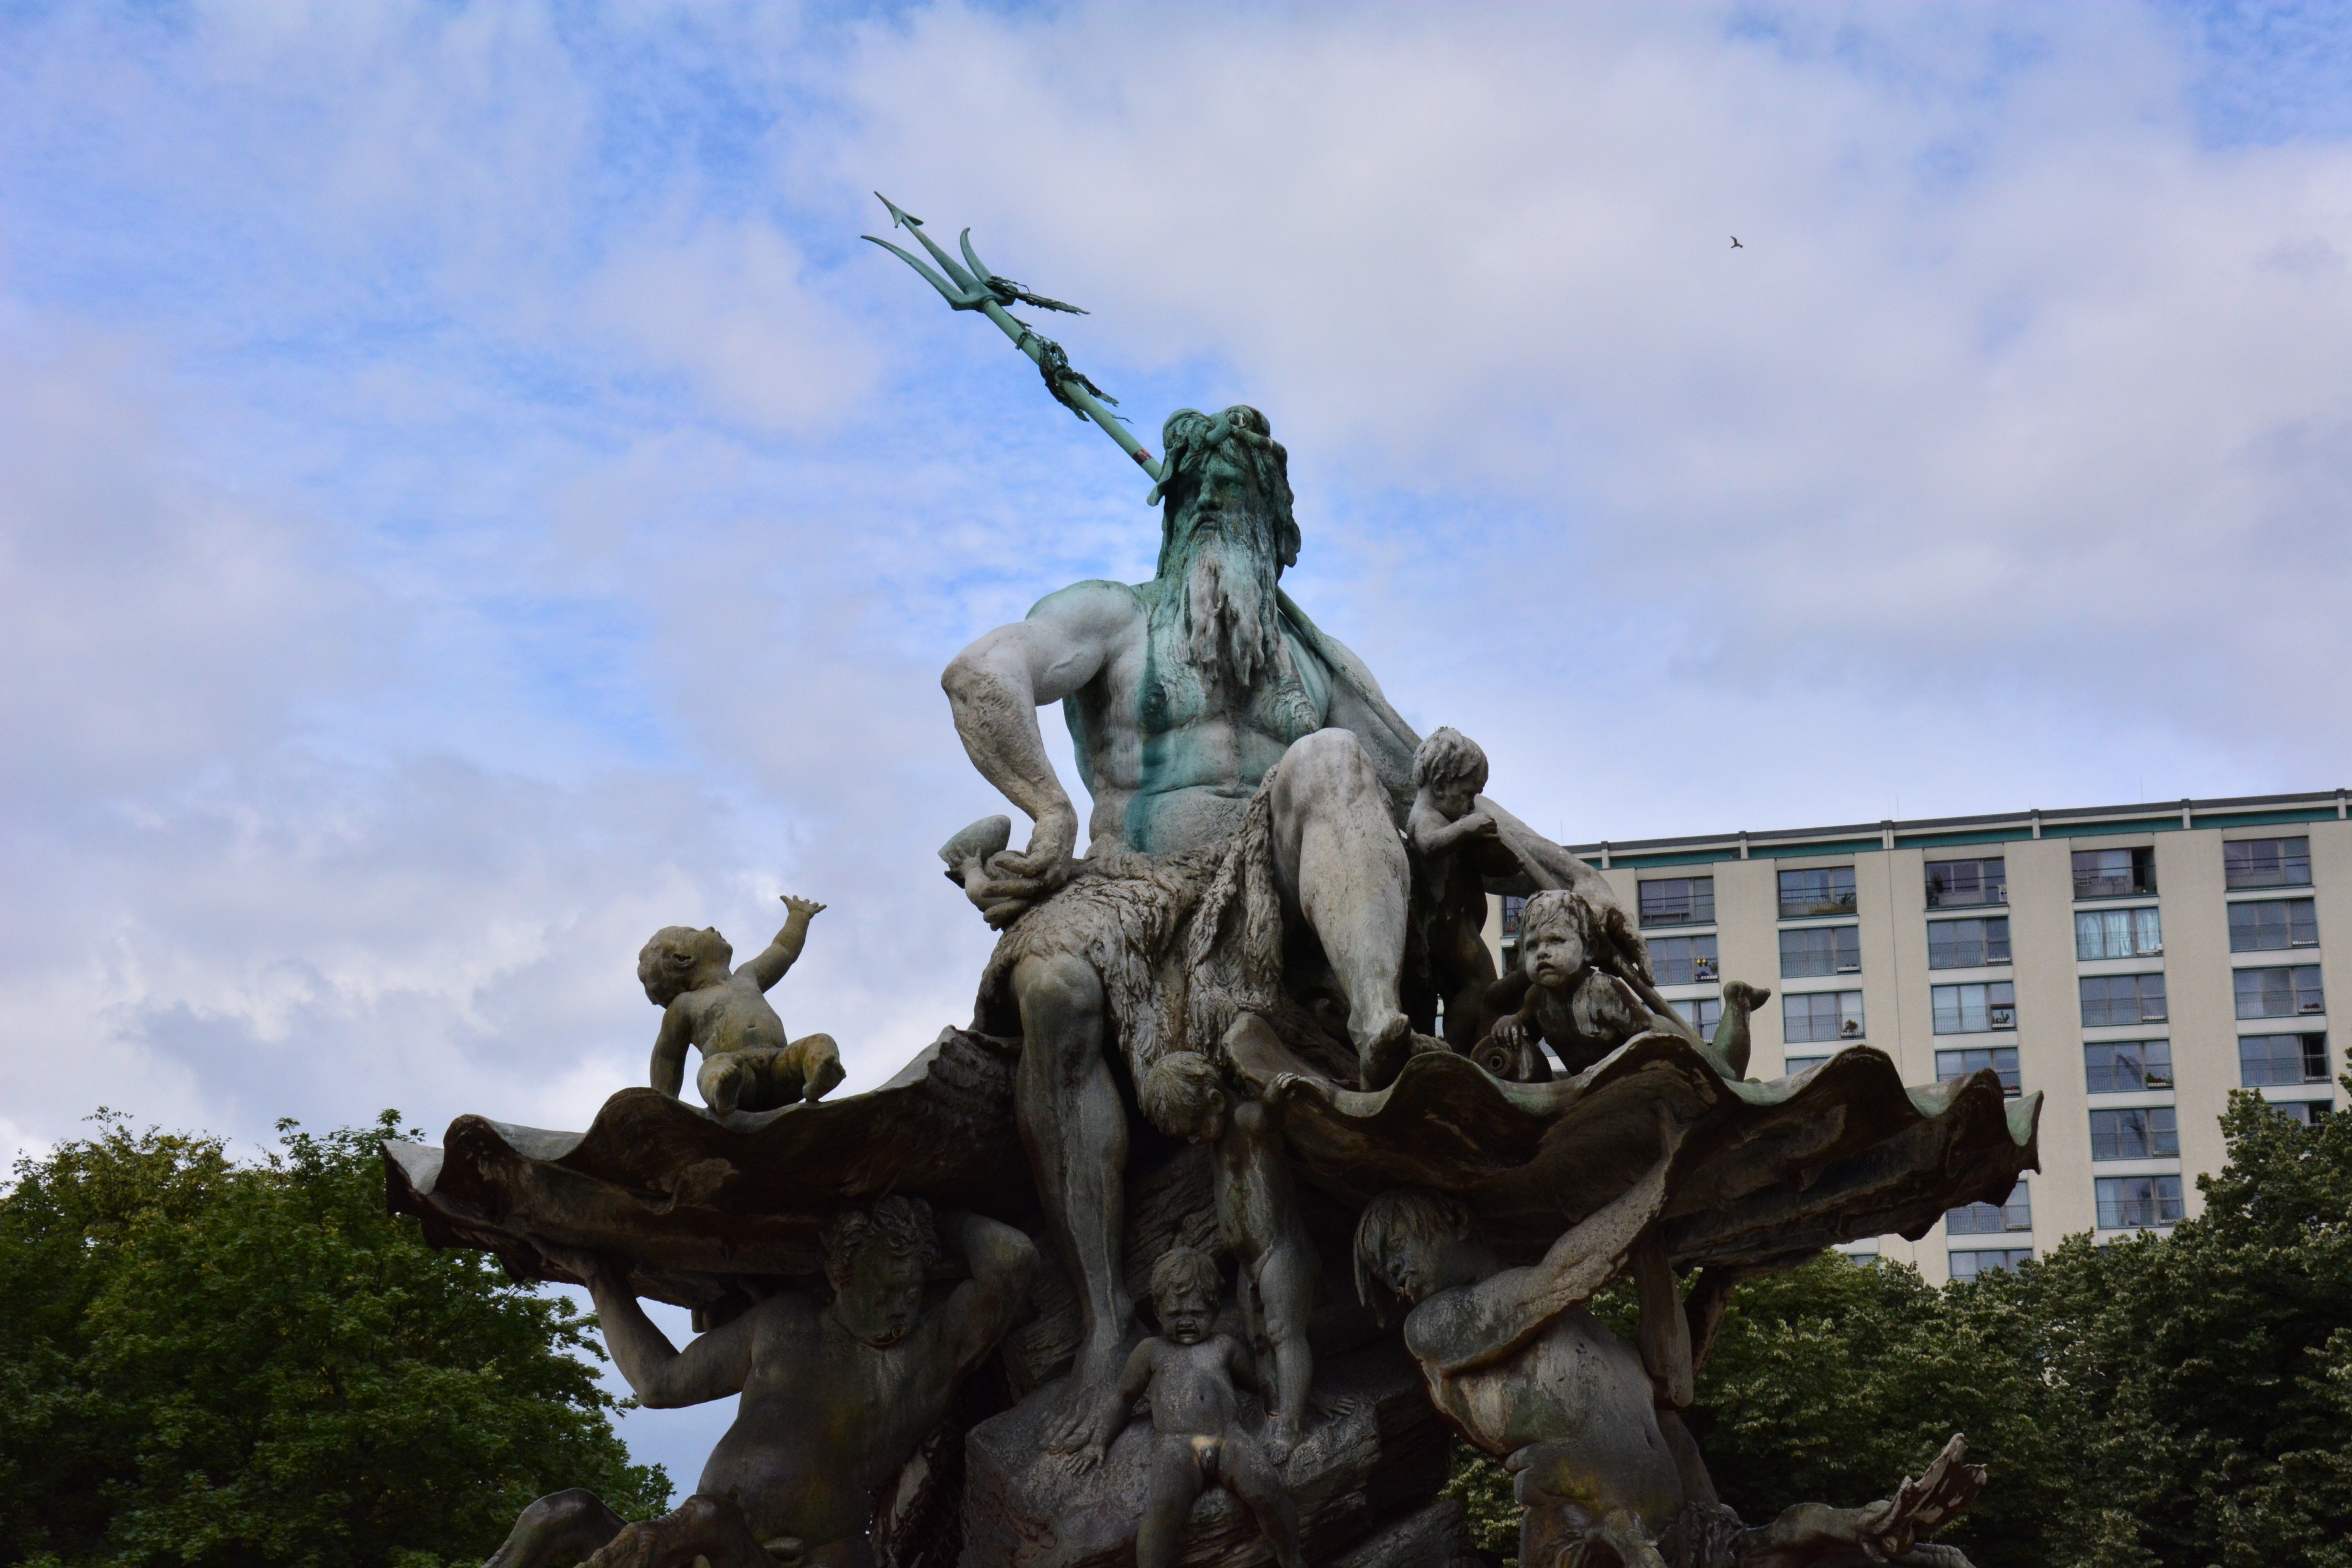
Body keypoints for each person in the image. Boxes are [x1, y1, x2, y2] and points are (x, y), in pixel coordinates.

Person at [942, 404, 1646, 1385]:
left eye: (1243, 506)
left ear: (1279, 535)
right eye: (1204, 503)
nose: (1220, 522)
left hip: (1262, 894)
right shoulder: (1112, 613)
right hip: (1127, 887)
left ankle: (1375, 1024)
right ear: (1175, 520)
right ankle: (1102, 1319)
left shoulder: (1317, 664)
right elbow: (981, 674)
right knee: (1053, 990)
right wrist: (1046, 811)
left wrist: (1568, 874)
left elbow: (1433, 792)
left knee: (1332, 755)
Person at [1353, 1136, 1981, 1568]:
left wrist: (1689, 1264)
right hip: (1585, 1538)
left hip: (1683, 1527)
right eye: (1383, 1270)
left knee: (1868, 1545)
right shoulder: (1437, 1326)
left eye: (1398, 1245)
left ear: (1453, 1218)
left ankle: (1879, 1524)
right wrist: (1663, 1173)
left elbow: (1669, 1385)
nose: (1396, 1273)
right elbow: (1560, 1275)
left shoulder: (1579, 1331)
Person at [487, 1197, 1036, 1568]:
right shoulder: (783, 1322)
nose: (901, 1308)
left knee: (708, 1517)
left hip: (804, 1558)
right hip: (697, 1551)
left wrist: (940, 1217)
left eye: (911, 1291)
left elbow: (1012, 1261)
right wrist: (599, 1278)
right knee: (562, 1514)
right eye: (884, 1289)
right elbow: (659, 1382)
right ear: (840, 1276)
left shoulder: (932, 1351)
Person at [1051, 1247, 1305, 1568]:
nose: (1186, 1322)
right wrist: (1099, 1440)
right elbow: (1122, 1398)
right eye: (1174, 1314)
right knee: (1165, 1508)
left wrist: (1299, 1400)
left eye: (1196, 1313)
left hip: (1229, 1436)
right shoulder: (1151, 1351)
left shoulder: (1224, 1346)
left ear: (1214, 1309)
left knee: (1266, 1486)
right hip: (1177, 1444)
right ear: (1158, 1311)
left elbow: (1262, 1382)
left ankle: (1291, 1557)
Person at [1139, 1051, 1317, 1456]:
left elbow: (1267, 1119)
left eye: (1194, 1128)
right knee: (1259, 1341)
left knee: (1284, 1335)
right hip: (1249, 1264)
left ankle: (1291, 1426)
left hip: (1280, 1250)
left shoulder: (1242, 1120)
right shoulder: (1215, 1137)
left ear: (1216, 1101)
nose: (1192, 1140)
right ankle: (1275, 1411)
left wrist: (1272, 1099)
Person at [640, 894, 844, 1115]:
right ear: (682, 958)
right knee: (712, 1068)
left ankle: (820, 1074)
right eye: (693, 932)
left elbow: (783, 949)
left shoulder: (748, 975)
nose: (709, 928)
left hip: (781, 1066)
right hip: (741, 1075)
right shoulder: (684, 1005)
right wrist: (664, 1107)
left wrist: (799, 917)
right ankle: (723, 1091)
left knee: (821, 1041)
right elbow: (667, 1057)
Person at [1404, 726, 1514, 1049]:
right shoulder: (1425, 816)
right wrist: (1467, 828)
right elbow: (1428, 844)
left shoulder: (1446, 818)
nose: (1470, 806)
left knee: (1469, 988)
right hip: (1447, 930)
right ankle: (1457, 1045)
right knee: (1481, 983)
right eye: (1467, 795)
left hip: (1460, 925)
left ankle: (1463, 1045)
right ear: (1440, 786)